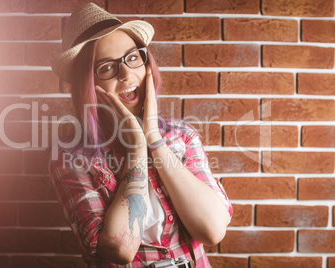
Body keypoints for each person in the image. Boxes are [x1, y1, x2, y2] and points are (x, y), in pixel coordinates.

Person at [49, 3, 233, 267]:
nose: (126, 74)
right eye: (107, 67)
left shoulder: (182, 137)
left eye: (132, 57)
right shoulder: (70, 158)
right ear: (88, 84)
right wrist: (136, 147)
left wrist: (154, 140)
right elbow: (120, 249)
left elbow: (212, 231)